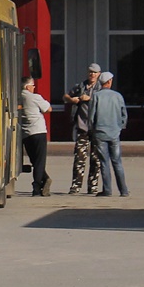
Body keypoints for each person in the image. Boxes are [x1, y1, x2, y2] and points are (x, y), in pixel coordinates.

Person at [63, 62, 103, 195]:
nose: (92, 74)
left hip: (96, 128)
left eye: (95, 72)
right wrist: (73, 99)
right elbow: (66, 96)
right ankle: (75, 185)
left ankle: (93, 185)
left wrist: (90, 98)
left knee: (95, 159)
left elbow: (103, 101)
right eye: (90, 72)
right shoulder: (81, 86)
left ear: (99, 74)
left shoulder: (101, 88)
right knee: (79, 158)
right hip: (82, 127)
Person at [88, 71, 129, 197]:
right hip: (114, 133)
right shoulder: (118, 96)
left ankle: (107, 190)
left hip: (100, 132)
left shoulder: (96, 96)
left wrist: (92, 130)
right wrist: (120, 127)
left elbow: (91, 116)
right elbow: (124, 115)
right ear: (110, 81)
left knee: (104, 162)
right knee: (117, 161)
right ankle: (124, 190)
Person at [19, 76, 52, 196]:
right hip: (38, 132)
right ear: (28, 87)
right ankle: (37, 187)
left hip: (26, 134)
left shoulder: (17, 97)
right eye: (33, 86)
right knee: (40, 161)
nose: (34, 88)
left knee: (34, 160)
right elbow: (48, 109)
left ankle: (46, 179)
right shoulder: (34, 97)